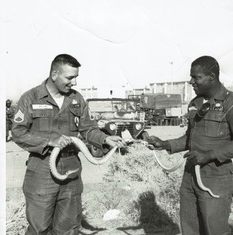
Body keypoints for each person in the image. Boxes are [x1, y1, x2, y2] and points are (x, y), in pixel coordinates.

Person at [12, 54, 126, 235]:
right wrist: (49, 141)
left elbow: (88, 129)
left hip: (72, 169)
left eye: (76, 78)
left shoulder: (77, 98)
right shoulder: (30, 98)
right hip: (42, 169)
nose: (73, 83)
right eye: (70, 77)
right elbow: (18, 132)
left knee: (69, 228)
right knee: (39, 228)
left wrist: (105, 139)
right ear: (55, 74)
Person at [147, 56, 233, 235]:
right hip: (190, 175)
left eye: (196, 77)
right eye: (191, 76)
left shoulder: (230, 104)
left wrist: (209, 155)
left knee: (214, 229)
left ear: (211, 76)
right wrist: (164, 144)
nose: (191, 81)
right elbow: (189, 137)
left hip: (216, 177)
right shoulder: (195, 103)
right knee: (190, 227)